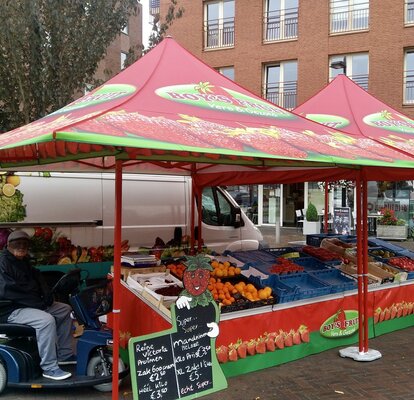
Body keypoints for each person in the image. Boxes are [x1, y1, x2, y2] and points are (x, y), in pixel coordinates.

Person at [0, 230, 76, 381]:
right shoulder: (2, 263)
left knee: (64, 309)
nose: (21, 247)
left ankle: (65, 355)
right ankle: (50, 368)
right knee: (45, 320)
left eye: (25, 244)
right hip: (9, 309)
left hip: (27, 304)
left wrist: (46, 293)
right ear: (8, 245)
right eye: (17, 244)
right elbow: (8, 291)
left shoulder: (23, 262)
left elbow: (37, 279)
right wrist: (38, 302)